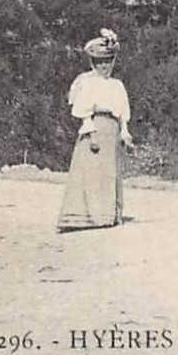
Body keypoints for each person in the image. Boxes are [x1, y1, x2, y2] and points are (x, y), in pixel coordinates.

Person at [57, 28, 134, 232]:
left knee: (109, 173)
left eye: (107, 61)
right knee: (91, 173)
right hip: (95, 129)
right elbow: (83, 110)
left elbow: (122, 112)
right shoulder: (87, 83)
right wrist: (91, 134)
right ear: (93, 63)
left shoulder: (117, 85)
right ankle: (87, 216)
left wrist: (124, 133)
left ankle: (108, 215)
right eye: (99, 62)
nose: (104, 66)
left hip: (112, 131)